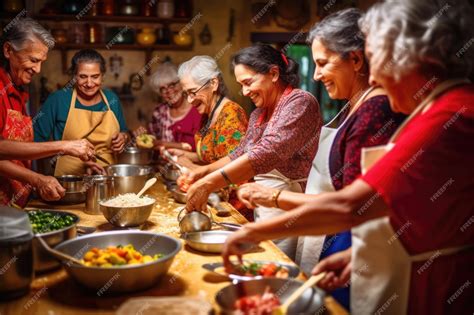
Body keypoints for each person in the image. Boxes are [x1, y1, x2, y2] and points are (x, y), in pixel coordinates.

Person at [223, 0, 474, 314]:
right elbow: (411, 208)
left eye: (375, 58)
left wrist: (254, 232)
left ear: (409, 55)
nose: (371, 78)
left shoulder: (452, 115)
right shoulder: (438, 108)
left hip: (436, 285)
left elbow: (352, 205)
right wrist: (360, 254)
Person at [234, 8, 406, 310]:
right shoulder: (352, 106)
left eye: (322, 63)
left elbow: (355, 207)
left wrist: (273, 201)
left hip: (353, 242)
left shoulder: (374, 112)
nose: (314, 75)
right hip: (331, 234)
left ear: (355, 59)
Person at [179, 45, 322, 259]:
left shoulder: (300, 102)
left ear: (273, 73)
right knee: (265, 259)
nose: (244, 92)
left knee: (283, 265)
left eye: (248, 82)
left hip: (293, 204)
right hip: (265, 206)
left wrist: (209, 183)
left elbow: (267, 152)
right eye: (241, 85)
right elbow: (240, 152)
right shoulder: (258, 114)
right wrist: (202, 173)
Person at [0, 18, 94, 206]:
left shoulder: (19, 90)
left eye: (41, 61)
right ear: (8, 50)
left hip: (16, 201)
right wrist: (63, 146)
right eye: (33, 60)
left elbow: (21, 149)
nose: (38, 69)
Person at [34, 49, 129, 176]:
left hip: (107, 175)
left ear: (103, 76)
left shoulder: (111, 99)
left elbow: (124, 131)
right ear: (74, 76)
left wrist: (123, 137)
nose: (89, 83)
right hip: (69, 178)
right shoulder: (58, 99)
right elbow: (35, 142)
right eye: (83, 76)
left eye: (95, 77)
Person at [168, 55, 248, 170]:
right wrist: (183, 155)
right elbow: (212, 157)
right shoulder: (207, 114)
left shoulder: (231, 115)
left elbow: (235, 168)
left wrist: (191, 167)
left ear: (213, 84)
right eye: (186, 94)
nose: (190, 100)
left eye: (193, 92)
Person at [143, 61, 201, 151]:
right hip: (162, 164)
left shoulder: (198, 110)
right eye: (163, 89)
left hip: (189, 164)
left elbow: (199, 147)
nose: (169, 91)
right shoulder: (159, 111)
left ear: (182, 84)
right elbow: (151, 141)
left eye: (172, 85)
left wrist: (162, 143)